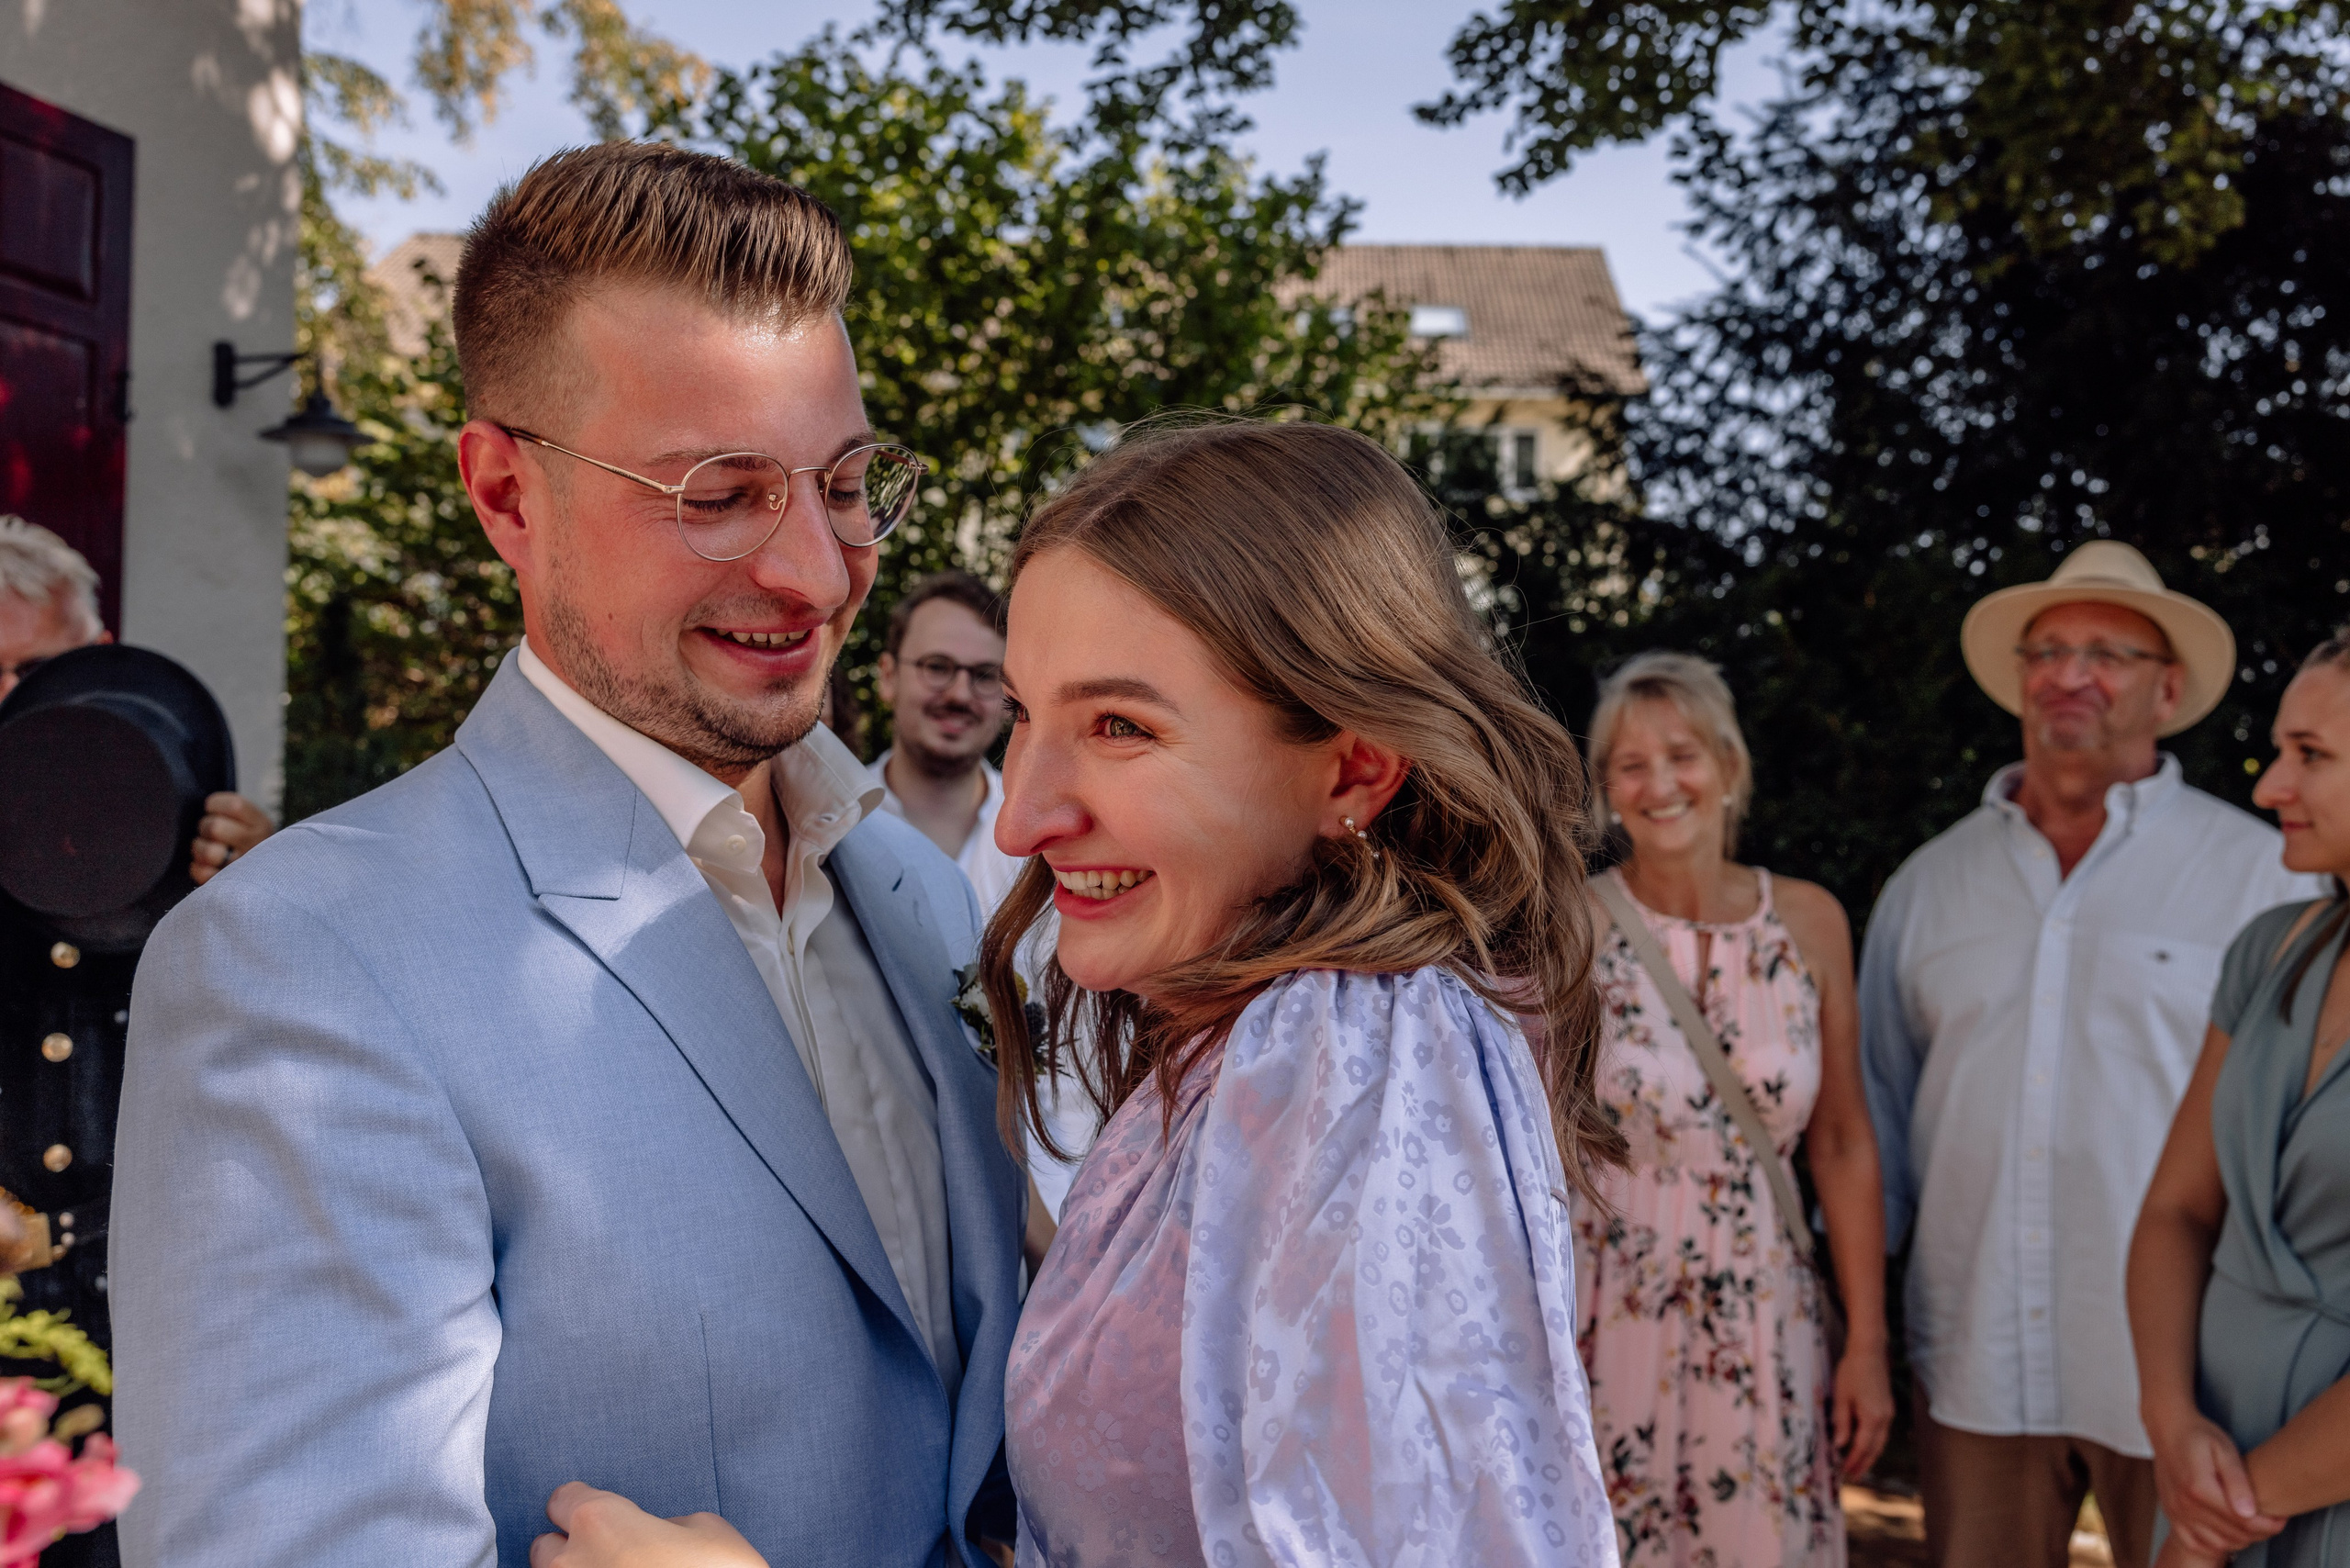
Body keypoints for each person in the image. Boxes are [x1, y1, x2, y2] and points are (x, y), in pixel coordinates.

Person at [107, 142, 1025, 1568]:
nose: (817, 569)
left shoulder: (920, 893)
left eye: (846, 482)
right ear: (505, 496)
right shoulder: (299, 962)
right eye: (717, 491)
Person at [535, 417, 1629, 1567]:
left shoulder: (1354, 1046)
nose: (1021, 818)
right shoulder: (1234, 1036)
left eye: (1119, 726)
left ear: (1350, 768)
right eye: (1026, 713)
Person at [1860, 541, 2320, 1568]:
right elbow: (1877, 1124)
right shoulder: (1927, 887)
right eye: (2049, 650)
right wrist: (1859, 1333)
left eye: (2107, 653)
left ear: (2168, 690)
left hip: (2188, 1375)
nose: (2070, 674)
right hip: (1975, 1352)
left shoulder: (2262, 877)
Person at [1577, 652, 1892, 1564]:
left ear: (1728, 765)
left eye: (1681, 756)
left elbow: (1842, 1141)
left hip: (1763, 1305)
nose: (1659, 785)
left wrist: (1867, 1345)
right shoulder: (1570, 922)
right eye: (1631, 765)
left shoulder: (1809, 921)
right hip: (1606, 1301)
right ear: (1607, 789)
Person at [2129, 627, 2350, 1568]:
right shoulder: (2272, 950)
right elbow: (2175, 1210)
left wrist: (2216, 1523)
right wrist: (2171, 1421)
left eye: (2311, 756)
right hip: (2207, 1458)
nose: (2269, 788)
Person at [0, 513, 272, 882]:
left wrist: (257, 876)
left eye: (37, 671)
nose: (9, 691)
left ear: (99, 656)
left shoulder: (166, 771)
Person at [867, 570, 1022, 908]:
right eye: (937, 667)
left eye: (984, 675)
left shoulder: (1038, 842)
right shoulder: (828, 825)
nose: (960, 695)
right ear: (889, 677)